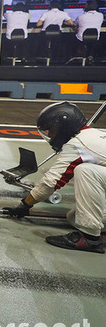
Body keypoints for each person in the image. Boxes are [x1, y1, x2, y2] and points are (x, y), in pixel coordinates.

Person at [6, 102, 106, 253]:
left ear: (64, 126)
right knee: (75, 217)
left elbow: (51, 182)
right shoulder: (93, 135)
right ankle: (93, 232)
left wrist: (25, 205)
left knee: (85, 171)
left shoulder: (79, 144)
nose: (51, 135)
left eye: (52, 130)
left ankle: (90, 239)